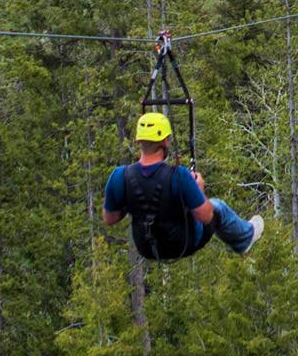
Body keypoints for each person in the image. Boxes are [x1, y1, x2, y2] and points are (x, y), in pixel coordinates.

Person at [101, 111, 263, 261]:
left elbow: (110, 218)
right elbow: (206, 216)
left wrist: (133, 203)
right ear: (165, 141)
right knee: (218, 207)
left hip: (146, 247)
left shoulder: (120, 176)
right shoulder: (179, 176)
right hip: (182, 243)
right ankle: (245, 238)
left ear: (139, 141)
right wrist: (198, 189)